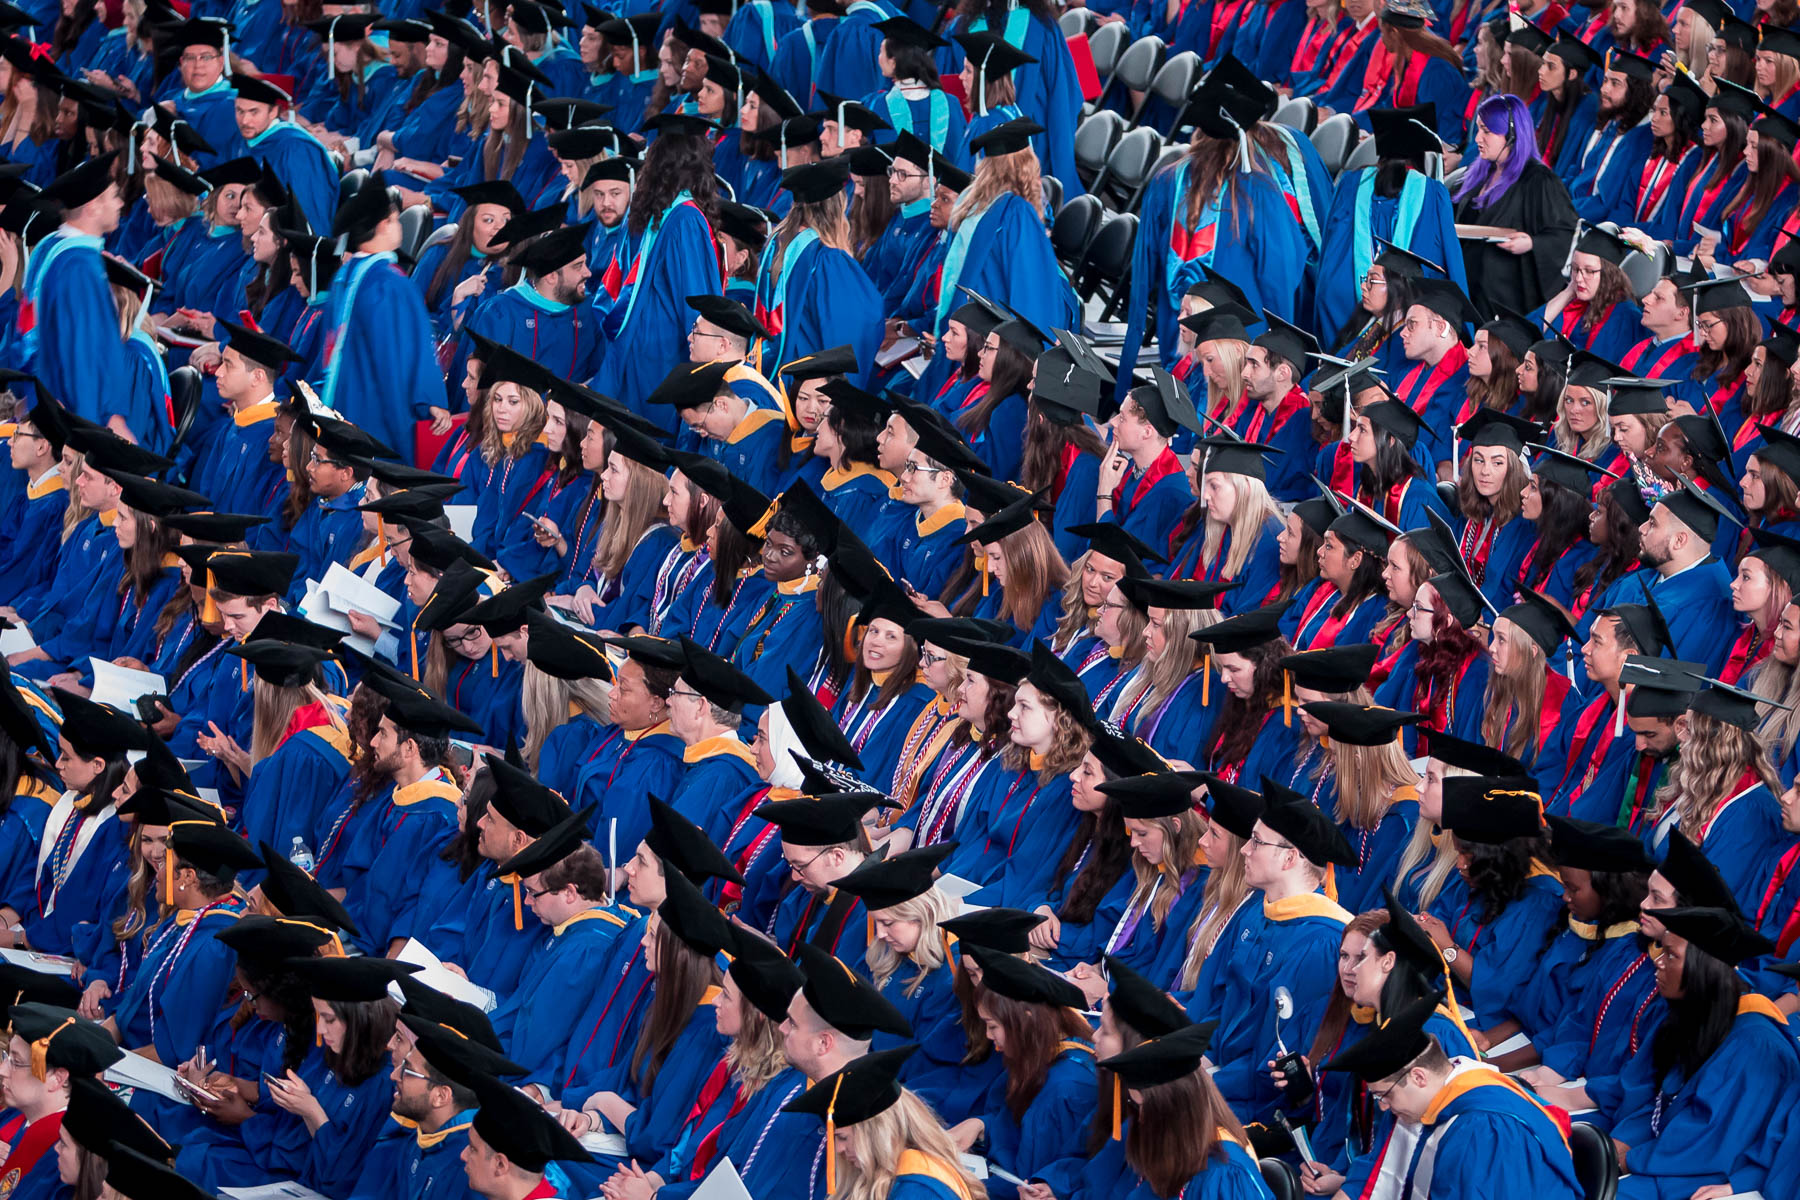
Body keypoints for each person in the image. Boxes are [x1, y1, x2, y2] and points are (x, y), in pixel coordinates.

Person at [1320, 994, 1581, 1200]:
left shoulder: (1482, 1130)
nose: (1384, 1107)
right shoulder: (1436, 1090)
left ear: (1419, 1077)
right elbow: (1383, 1169)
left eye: (1383, 1096)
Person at [318, 174, 443, 461]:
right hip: (376, 418)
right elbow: (404, 358)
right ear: (383, 225)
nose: (399, 226)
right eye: (397, 220)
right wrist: (429, 400)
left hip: (341, 405)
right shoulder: (391, 283)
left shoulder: (344, 277)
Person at [1453, 93, 1580, 316]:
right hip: (1466, 290)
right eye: (1479, 129)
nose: (1477, 139)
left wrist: (1532, 243)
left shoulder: (1540, 181)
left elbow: (1567, 234)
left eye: (1487, 131)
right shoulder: (1481, 172)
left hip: (1503, 299)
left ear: (1511, 135)